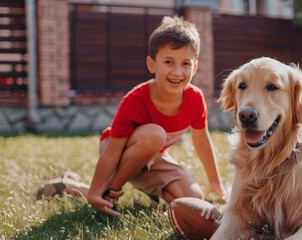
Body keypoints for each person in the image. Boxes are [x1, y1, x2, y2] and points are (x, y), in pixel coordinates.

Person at [36, 16, 225, 217]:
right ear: (151, 64)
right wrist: (99, 190)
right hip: (118, 150)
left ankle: (77, 186)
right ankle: (100, 191)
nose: (177, 71)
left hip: (153, 157)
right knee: (155, 135)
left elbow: (201, 140)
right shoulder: (135, 99)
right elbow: (112, 152)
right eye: (168, 61)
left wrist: (214, 180)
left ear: (194, 67)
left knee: (193, 199)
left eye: (185, 63)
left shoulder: (195, 98)